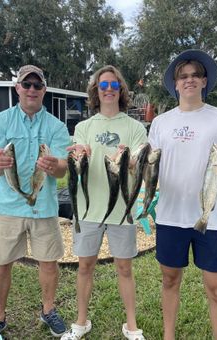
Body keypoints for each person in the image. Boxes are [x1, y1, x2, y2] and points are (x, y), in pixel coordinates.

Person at [148, 49, 217, 340]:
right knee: (169, 280)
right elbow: (149, 168)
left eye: (195, 75)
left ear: (204, 82)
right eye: (183, 76)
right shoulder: (160, 123)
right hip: (169, 215)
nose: (189, 80)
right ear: (175, 84)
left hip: (213, 220)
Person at [0, 65, 70, 337]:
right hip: (7, 207)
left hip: (43, 206)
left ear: (44, 89)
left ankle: (48, 310)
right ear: (17, 88)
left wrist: (54, 165)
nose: (32, 89)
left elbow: (62, 170)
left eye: (37, 85)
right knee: (1, 263)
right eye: (27, 84)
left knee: (48, 262)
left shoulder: (56, 126)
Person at [61, 65, 147, 340]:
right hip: (88, 208)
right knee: (85, 266)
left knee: (125, 267)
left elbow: (139, 164)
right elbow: (78, 162)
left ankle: (131, 326)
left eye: (113, 85)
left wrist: (133, 162)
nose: (108, 90)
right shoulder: (84, 127)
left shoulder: (135, 127)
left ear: (121, 90)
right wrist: (79, 155)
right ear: (95, 92)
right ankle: (81, 322)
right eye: (103, 86)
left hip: (123, 209)